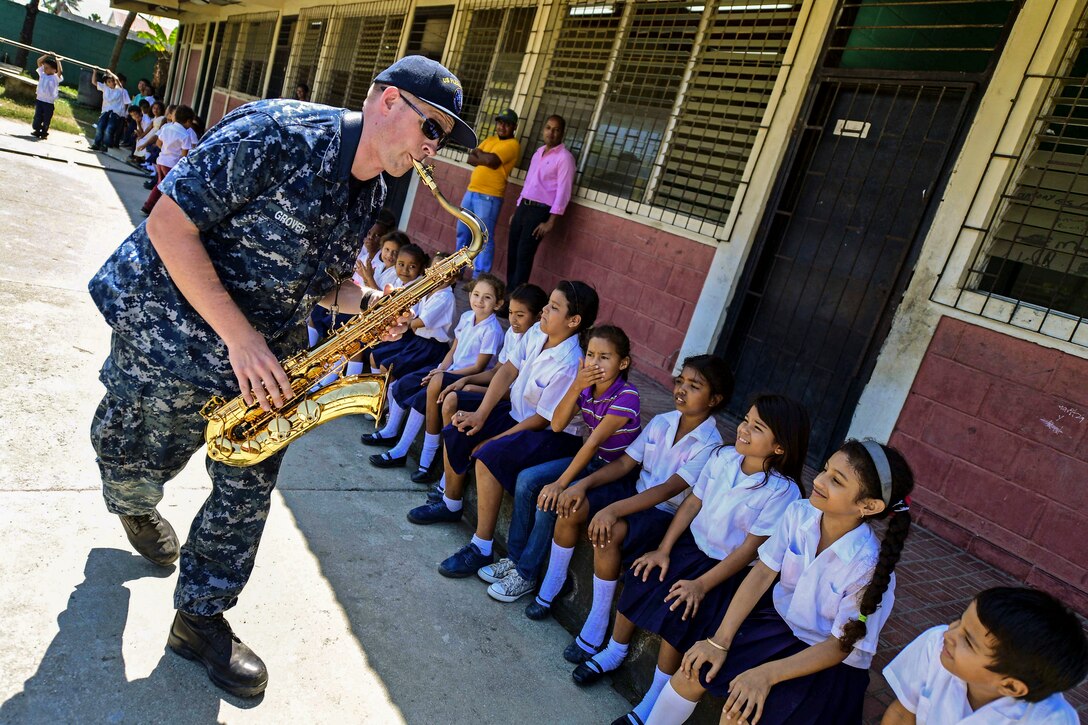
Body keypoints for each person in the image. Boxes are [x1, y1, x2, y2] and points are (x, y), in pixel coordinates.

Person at [88, 55, 475, 698]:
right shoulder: (278, 132)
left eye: (442, 139)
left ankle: (200, 617)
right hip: (166, 333)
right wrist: (239, 338)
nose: (434, 149)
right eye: (431, 128)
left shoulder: (373, 190)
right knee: (131, 458)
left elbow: (323, 281)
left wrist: (371, 305)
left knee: (248, 484)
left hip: (268, 362)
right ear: (386, 101)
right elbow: (168, 223)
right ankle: (132, 505)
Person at [645, 439, 914, 725]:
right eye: (825, 470)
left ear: (868, 506)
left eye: (836, 480)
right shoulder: (799, 514)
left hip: (826, 661)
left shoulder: (868, 566)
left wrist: (765, 674)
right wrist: (719, 641)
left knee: (740, 712)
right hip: (780, 628)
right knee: (693, 668)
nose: (820, 480)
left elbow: (838, 647)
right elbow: (762, 573)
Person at [603, 395, 809, 724]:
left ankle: (654, 698)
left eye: (757, 428)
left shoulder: (783, 492)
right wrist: (664, 549)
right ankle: (613, 650)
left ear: (780, 447)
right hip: (690, 549)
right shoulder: (723, 457)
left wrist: (701, 585)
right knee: (642, 576)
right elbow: (691, 505)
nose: (743, 429)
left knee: (680, 611)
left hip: (726, 572)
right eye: (745, 420)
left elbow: (748, 551)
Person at [537, 355, 730, 665]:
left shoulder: (711, 445)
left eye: (694, 386)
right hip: (635, 493)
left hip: (664, 514)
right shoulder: (662, 421)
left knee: (608, 531)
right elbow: (627, 463)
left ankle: (597, 624)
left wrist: (613, 509)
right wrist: (582, 485)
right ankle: (551, 585)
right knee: (573, 505)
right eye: (680, 382)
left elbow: (667, 490)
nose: (681, 390)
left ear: (715, 399)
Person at [406, 282, 599, 577]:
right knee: (460, 419)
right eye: (548, 303)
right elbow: (508, 370)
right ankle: (451, 502)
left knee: (488, 455)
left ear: (574, 322)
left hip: (549, 435)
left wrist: (495, 438)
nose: (544, 311)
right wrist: (481, 415)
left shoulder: (570, 362)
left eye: (554, 308)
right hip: (516, 414)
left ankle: (481, 547)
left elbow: (543, 420)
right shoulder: (538, 333)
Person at [481, 325, 641, 604]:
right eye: (591, 354)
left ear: (622, 362)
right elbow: (557, 423)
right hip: (589, 462)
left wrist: (560, 483)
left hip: (612, 474)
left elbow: (592, 443)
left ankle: (527, 574)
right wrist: (577, 386)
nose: (594, 363)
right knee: (527, 480)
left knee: (550, 500)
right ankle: (515, 558)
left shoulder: (627, 396)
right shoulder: (586, 387)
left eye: (605, 357)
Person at [882, 586, 1087, 724]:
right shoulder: (936, 645)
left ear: (1011, 686)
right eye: (959, 620)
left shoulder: (1049, 720)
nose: (949, 633)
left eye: (969, 641)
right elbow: (902, 713)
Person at [368, 274, 505, 480]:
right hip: (448, 370)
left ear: (498, 304)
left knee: (422, 397)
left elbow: (479, 367)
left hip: (465, 377)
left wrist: (444, 374)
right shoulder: (468, 317)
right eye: (476, 294)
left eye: (487, 298)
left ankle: (415, 457)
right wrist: (440, 368)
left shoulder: (493, 330)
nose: (479, 301)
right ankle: (391, 433)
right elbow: (453, 351)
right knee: (405, 383)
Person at [505, 114, 576, 292]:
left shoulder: (565, 158)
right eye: (548, 128)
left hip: (540, 212)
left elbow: (564, 191)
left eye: (556, 129)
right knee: (512, 252)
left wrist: (551, 221)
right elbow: (530, 182)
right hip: (524, 207)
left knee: (524, 256)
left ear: (562, 133)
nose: (551, 133)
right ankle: (507, 295)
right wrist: (517, 209)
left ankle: (516, 299)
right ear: (543, 130)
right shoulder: (538, 152)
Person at [457, 108, 521, 276]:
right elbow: (471, 158)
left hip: (489, 197)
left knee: (484, 237)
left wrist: (480, 154)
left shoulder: (512, 145)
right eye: (500, 123)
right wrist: (480, 155)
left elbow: (492, 162)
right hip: (470, 192)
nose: (502, 127)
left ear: (514, 126)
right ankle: (457, 271)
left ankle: (479, 279)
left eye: (507, 124)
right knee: (463, 233)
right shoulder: (490, 140)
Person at [140, 105, 196, 215]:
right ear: (188, 121)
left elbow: (158, 143)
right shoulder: (185, 135)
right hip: (172, 165)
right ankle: (161, 212)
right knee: (169, 189)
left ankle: (147, 207)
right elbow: (184, 156)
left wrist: (167, 150)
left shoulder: (166, 127)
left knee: (160, 185)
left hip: (161, 161)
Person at [90, 69, 130, 151]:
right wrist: (95, 71)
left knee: (109, 128)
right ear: (106, 83)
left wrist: (110, 72)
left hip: (116, 112)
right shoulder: (105, 88)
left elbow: (117, 80)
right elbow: (94, 82)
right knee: (100, 127)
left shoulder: (120, 89)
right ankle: (96, 144)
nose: (112, 83)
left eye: (113, 81)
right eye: (109, 81)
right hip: (105, 111)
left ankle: (105, 145)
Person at [31, 54, 62, 140]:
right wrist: (47, 54)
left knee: (46, 119)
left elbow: (60, 71)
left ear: (54, 70)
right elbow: (39, 61)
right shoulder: (42, 74)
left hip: (49, 103)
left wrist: (58, 61)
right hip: (40, 100)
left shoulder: (55, 78)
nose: (44, 69)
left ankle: (44, 132)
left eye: (47, 68)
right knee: (37, 117)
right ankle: (37, 130)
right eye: (44, 67)